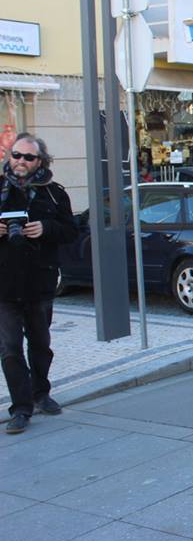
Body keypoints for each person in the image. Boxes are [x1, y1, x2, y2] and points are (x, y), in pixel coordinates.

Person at [0, 134, 77, 434]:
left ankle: (41, 393)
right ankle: (21, 408)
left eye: (28, 157)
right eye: (16, 155)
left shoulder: (54, 193)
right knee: (10, 349)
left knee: (41, 344)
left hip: (40, 282)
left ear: (40, 161)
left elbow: (71, 231)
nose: (21, 161)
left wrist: (46, 228)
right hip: (4, 285)